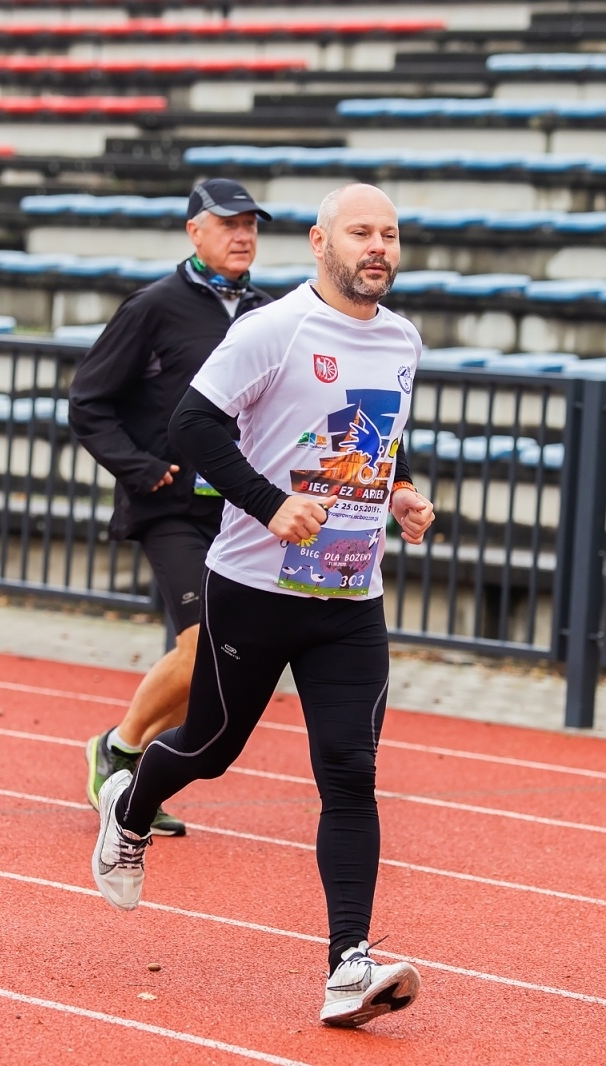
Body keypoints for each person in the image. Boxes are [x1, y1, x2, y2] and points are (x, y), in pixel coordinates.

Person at [91, 183, 436, 1028]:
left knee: (350, 773)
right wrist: (270, 503)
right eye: (361, 232)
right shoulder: (273, 330)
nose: (378, 247)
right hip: (253, 586)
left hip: (350, 597)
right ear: (321, 242)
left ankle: (348, 964)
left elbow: (379, 436)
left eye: (390, 234)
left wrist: (400, 491)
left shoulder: (402, 338)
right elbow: (191, 425)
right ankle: (129, 804)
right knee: (210, 749)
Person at [69, 178, 275, 837]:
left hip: (240, 508)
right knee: (201, 642)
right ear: (195, 232)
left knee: (221, 660)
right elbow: (88, 402)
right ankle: (119, 749)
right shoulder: (153, 307)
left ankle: (140, 772)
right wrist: (143, 469)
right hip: (170, 505)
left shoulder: (269, 314)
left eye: (250, 225)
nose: (242, 236)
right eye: (229, 224)